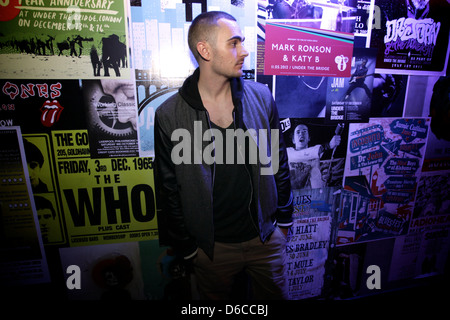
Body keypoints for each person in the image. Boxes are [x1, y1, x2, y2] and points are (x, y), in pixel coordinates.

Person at [154, 11, 293, 300]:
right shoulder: (169, 114)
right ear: (204, 50)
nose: (244, 51)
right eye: (233, 43)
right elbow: (167, 189)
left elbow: (278, 162)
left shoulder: (262, 97)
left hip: (265, 240)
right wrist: (190, 248)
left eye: (242, 42)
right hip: (212, 250)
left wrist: (284, 223)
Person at [287, 123, 341, 189]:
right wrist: (328, 145)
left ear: (309, 138)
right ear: (293, 140)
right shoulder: (288, 152)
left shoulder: (316, 154)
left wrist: (325, 178)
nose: (301, 134)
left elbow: (318, 182)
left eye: (304, 131)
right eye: (298, 132)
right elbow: (303, 154)